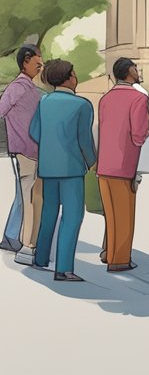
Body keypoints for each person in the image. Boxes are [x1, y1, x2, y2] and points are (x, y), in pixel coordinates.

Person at [27, 59, 95, 281]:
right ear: (68, 77)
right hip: (72, 168)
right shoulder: (82, 105)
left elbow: (34, 132)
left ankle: (41, 258)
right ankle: (63, 268)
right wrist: (92, 162)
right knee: (72, 217)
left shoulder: (44, 102)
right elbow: (84, 139)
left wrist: (50, 147)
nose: (76, 78)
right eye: (74, 74)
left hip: (48, 167)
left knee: (49, 213)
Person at [96, 58, 149, 272]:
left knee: (111, 213)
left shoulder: (106, 99)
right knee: (125, 214)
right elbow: (138, 134)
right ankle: (119, 260)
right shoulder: (138, 99)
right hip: (124, 163)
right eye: (135, 68)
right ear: (129, 72)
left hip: (105, 163)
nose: (137, 71)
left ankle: (109, 252)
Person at [2, 45, 44, 265]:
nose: (40, 67)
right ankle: (14, 239)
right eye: (37, 63)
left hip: (31, 149)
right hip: (24, 149)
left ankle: (11, 237)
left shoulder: (31, 89)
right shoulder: (18, 88)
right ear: (25, 61)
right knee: (26, 194)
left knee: (23, 193)